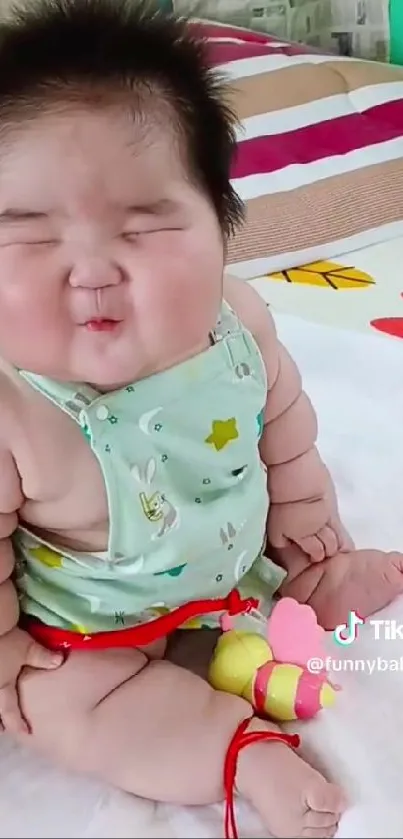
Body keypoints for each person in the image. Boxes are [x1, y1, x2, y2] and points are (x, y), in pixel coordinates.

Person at [0, 2, 401, 836]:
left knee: (280, 563)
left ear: (222, 226)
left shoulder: (236, 324)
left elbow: (282, 417)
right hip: (89, 628)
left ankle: (312, 583)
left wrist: (301, 509)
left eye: (144, 227)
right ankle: (240, 752)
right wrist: (4, 645)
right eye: (31, 240)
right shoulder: (12, 407)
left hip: (234, 562)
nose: (94, 272)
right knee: (56, 707)